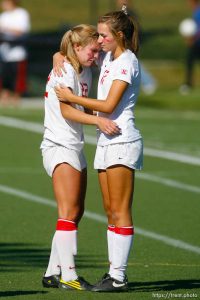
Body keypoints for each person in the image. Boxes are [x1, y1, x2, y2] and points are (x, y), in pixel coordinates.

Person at [55, 7, 143, 292]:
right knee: (109, 210)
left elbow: (108, 106)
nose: (99, 40)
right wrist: (58, 55)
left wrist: (70, 97)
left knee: (120, 210)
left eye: (104, 35)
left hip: (121, 139)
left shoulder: (126, 62)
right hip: (106, 140)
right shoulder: (109, 56)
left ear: (118, 36)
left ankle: (118, 276)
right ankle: (113, 273)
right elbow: (74, 49)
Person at [40, 24, 120, 292]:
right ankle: (68, 275)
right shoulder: (64, 70)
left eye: (98, 51)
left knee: (76, 212)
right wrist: (99, 122)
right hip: (59, 145)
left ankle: (53, 271)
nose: (95, 57)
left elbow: (80, 100)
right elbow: (67, 111)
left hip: (74, 145)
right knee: (67, 212)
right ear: (76, 47)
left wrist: (60, 53)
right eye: (92, 51)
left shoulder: (82, 68)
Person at [116, 0, 157, 95]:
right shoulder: (125, 12)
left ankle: (149, 82)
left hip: (129, 43)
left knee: (133, 64)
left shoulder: (127, 12)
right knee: (133, 64)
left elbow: (133, 29)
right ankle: (148, 82)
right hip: (127, 43)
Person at [0, 0, 30, 106]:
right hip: (4, 54)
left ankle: (16, 98)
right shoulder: (3, 16)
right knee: (4, 77)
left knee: (17, 78)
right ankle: (4, 96)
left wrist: (5, 29)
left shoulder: (21, 13)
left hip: (17, 53)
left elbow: (21, 31)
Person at [180, 0, 200, 94]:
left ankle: (188, 84)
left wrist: (192, 38)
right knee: (189, 62)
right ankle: (188, 84)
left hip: (197, 43)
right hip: (196, 42)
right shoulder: (196, 11)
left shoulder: (198, 12)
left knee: (190, 61)